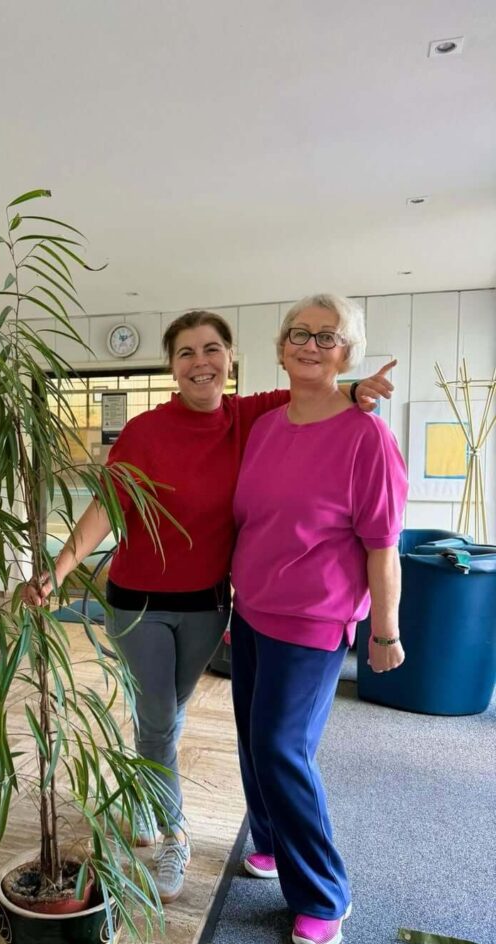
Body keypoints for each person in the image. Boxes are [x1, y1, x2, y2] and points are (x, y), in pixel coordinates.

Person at [24, 309, 394, 904]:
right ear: (172, 367)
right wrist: (58, 570)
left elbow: (307, 387)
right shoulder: (144, 430)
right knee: (159, 718)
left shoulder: (249, 418)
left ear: (229, 360)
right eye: (187, 353)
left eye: (213, 349)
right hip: (138, 603)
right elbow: (105, 508)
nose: (202, 362)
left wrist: (353, 387)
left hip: (209, 607)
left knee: (167, 715)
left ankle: (147, 799)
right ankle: (174, 833)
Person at [229, 294, 408, 944]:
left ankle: (324, 893)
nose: (310, 344)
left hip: (313, 619)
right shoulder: (268, 425)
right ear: (280, 348)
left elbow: (383, 546)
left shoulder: (368, 437)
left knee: (281, 748)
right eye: (298, 334)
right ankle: (272, 843)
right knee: (252, 741)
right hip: (251, 610)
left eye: (327, 336)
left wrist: (384, 631)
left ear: (347, 352)